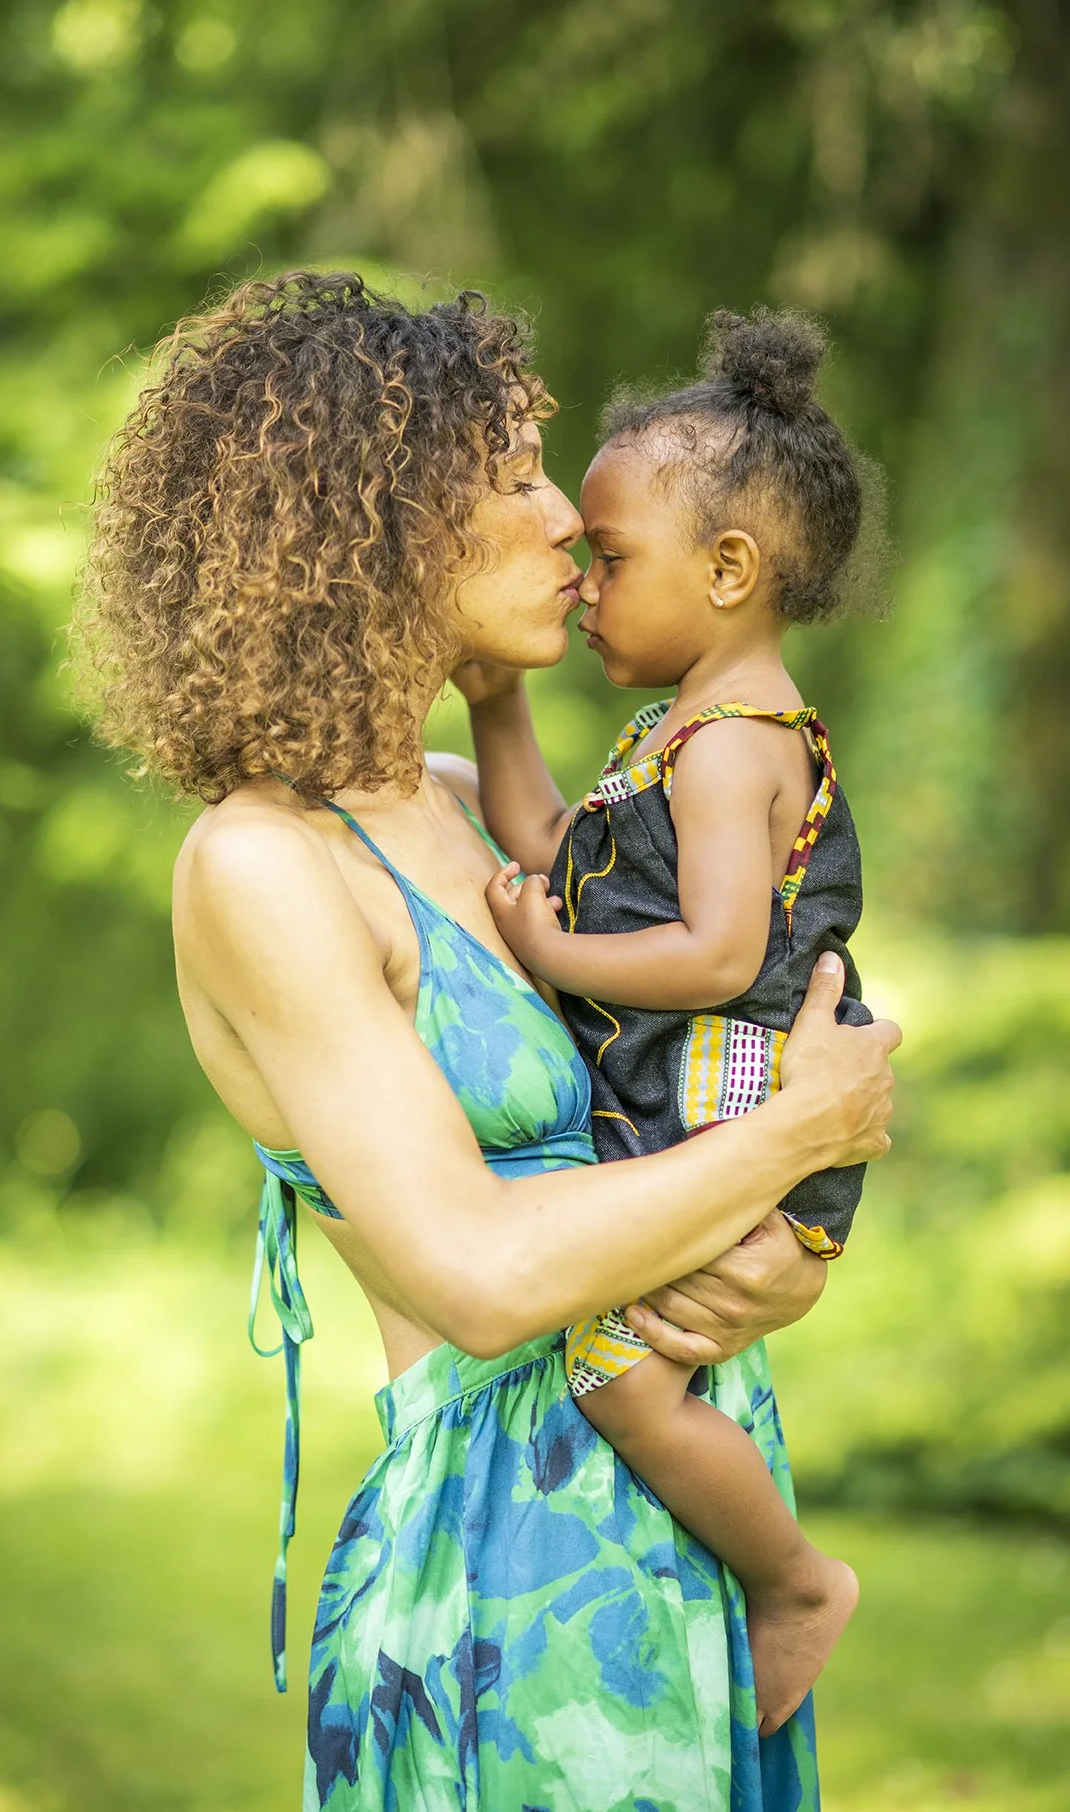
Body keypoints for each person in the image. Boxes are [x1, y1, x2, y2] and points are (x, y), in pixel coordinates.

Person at [75, 271, 898, 1812]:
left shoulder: (458, 802)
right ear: (370, 519)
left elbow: (683, 1066)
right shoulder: (266, 864)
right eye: (515, 473)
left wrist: (783, 1238)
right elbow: (483, 1273)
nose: (564, 522)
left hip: (682, 1491)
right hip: (515, 1559)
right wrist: (802, 1130)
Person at [466, 307, 876, 1739]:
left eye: (614, 558)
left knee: (628, 1389)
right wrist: (499, 706)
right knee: (629, 1369)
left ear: (728, 569)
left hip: (736, 1094)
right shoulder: (677, 736)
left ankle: (796, 1585)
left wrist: (547, 946)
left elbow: (712, 957)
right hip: (697, 1101)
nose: (584, 584)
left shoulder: (736, 748)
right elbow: (546, 845)